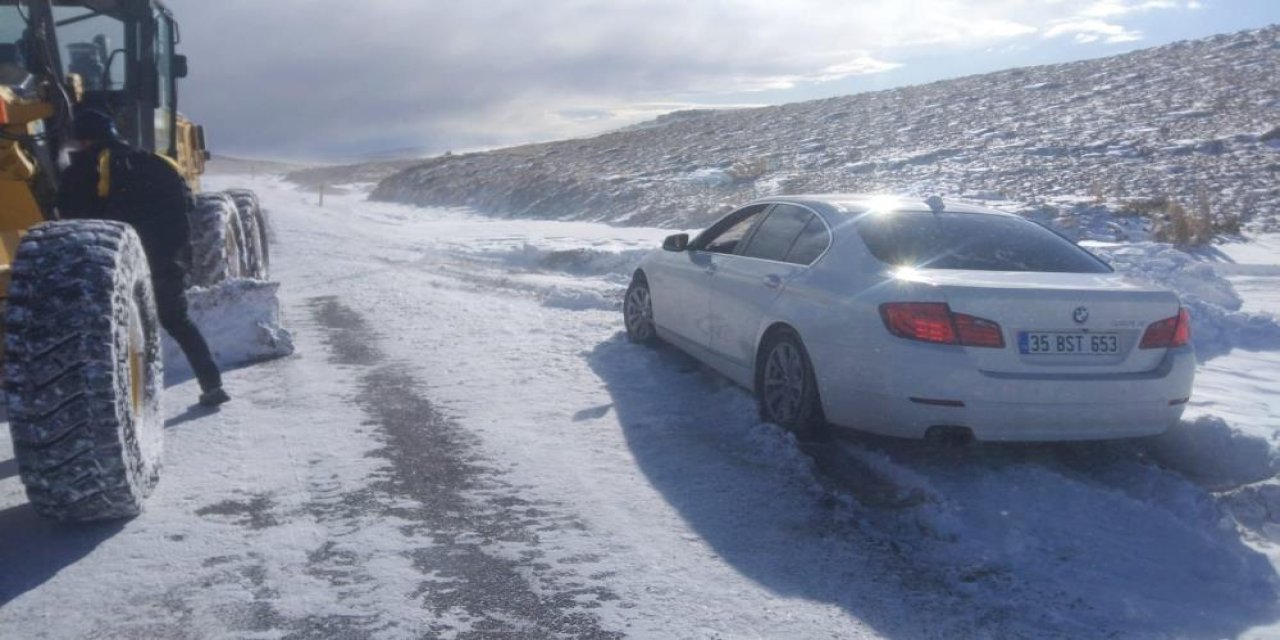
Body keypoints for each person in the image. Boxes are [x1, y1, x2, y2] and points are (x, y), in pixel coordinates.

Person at [58, 108, 231, 407]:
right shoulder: (164, 163)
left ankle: (133, 401)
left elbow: (73, 215)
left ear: (85, 140)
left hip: (118, 263)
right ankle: (212, 385)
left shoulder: (91, 165)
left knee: (122, 332)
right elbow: (186, 206)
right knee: (178, 321)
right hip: (167, 258)